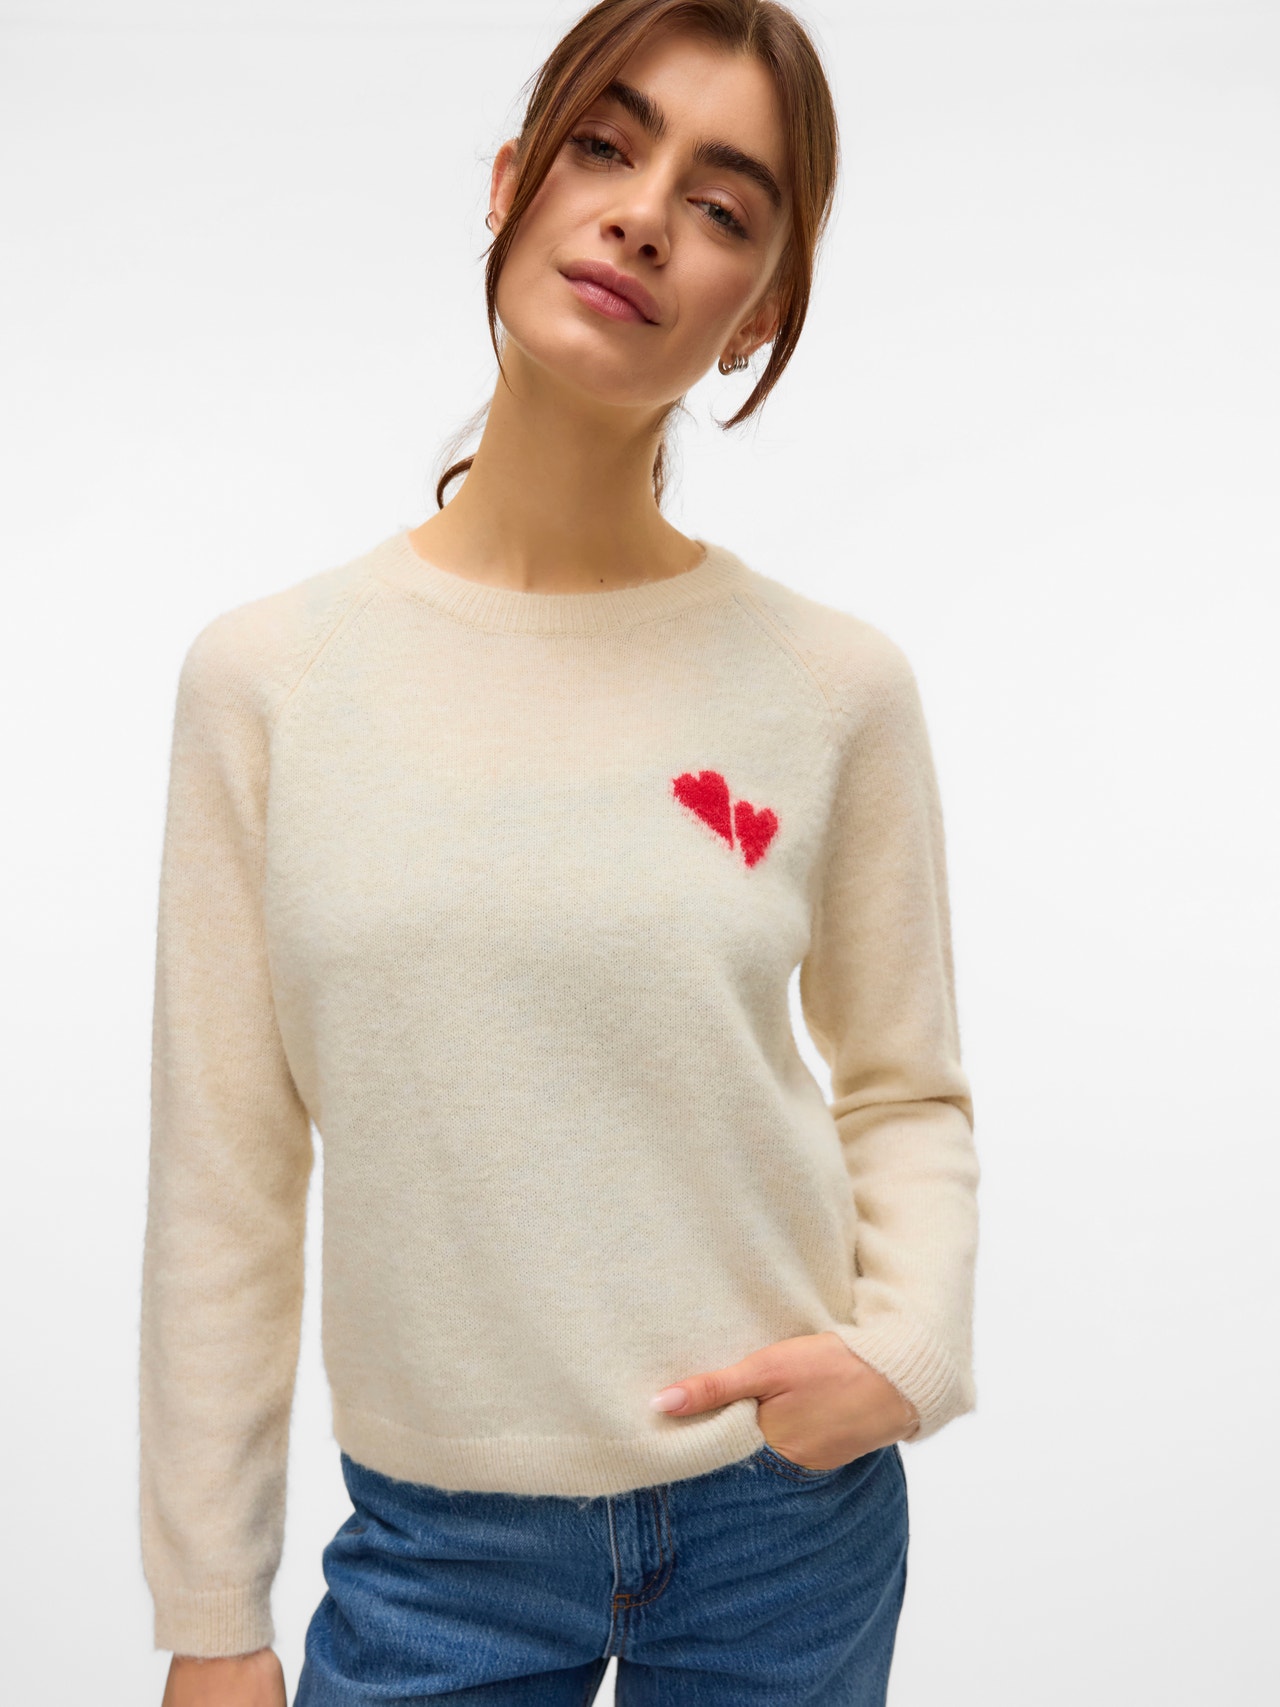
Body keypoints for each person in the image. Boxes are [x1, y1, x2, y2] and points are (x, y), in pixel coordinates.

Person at [139, 2, 980, 1703]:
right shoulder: (271, 682)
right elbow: (225, 1181)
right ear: (514, 183)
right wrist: (212, 1616)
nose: (644, 215)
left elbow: (906, 1089)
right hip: (434, 1549)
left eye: (722, 206)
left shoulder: (833, 688)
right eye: (605, 147)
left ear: (760, 312)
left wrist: (904, 1352)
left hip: (783, 1524)